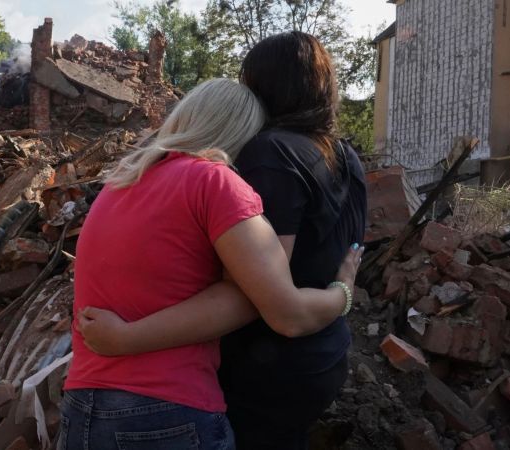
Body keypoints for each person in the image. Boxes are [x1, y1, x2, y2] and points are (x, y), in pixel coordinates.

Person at [78, 31, 368, 450]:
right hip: (324, 355)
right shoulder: (346, 156)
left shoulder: (128, 181)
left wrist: (126, 337)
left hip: (259, 370)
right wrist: (343, 292)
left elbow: (265, 297)